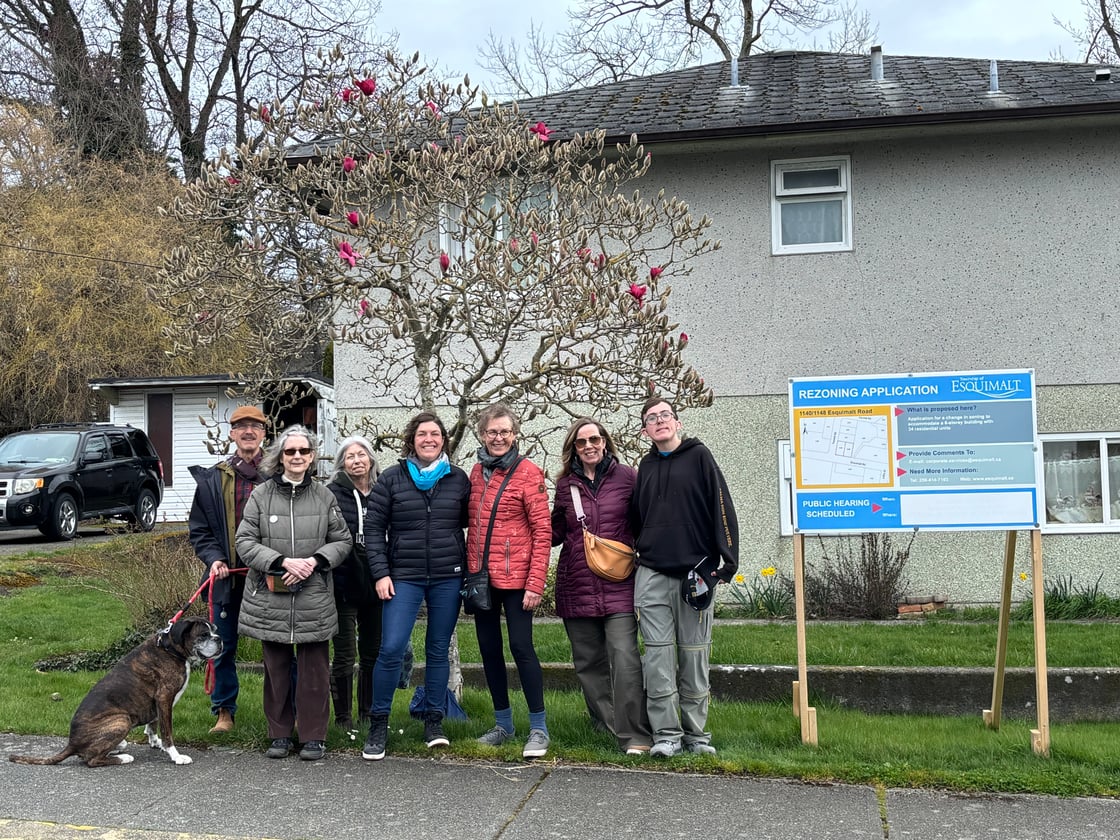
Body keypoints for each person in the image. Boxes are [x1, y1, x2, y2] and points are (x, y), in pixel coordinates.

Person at [629, 397, 739, 758]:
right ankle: (666, 735)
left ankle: (697, 736)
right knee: (658, 659)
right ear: (645, 430)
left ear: (676, 422)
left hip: (697, 574)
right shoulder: (644, 466)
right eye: (651, 419)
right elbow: (636, 518)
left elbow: (722, 506)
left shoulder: (699, 457)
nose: (659, 422)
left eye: (664, 416)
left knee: (693, 657)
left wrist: (726, 563)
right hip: (652, 575)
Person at [235, 425, 352, 761]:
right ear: (280, 457)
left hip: (313, 594)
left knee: (315, 671)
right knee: (276, 670)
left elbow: (342, 541)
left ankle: (314, 736)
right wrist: (281, 561)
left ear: (312, 457)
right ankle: (280, 734)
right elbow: (245, 542)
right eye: (290, 452)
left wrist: (314, 561)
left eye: (303, 451)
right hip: (271, 596)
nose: (297, 457)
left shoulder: (324, 496)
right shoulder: (261, 495)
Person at [361, 412, 471, 761]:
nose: (429, 439)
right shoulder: (392, 478)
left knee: (437, 649)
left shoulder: (458, 479)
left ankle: (433, 722)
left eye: (435, 434)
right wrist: (380, 573)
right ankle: (378, 724)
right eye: (422, 434)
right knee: (391, 648)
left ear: (443, 440)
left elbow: (476, 524)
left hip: (447, 576)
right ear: (412, 440)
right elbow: (373, 531)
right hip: (402, 576)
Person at [551, 417, 652, 755]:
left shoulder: (627, 477)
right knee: (588, 664)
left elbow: (644, 522)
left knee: (625, 659)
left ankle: (635, 735)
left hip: (620, 584)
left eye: (594, 439)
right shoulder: (565, 485)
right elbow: (554, 532)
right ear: (574, 449)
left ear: (605, 442)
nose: (589, 446)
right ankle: (607, 727)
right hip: (576, 583)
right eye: (581, 442)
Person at [467, 403, 552, 759]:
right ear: (482, 436)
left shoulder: (528, 472)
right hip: (482, 577)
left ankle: (539, 727)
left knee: (521, 648)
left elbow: (543, 531)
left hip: (518, 579)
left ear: (515, 435)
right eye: (491, 432)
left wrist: (536, 583)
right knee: (489, 651)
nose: (498, 438)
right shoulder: (475, 472)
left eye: (504, 432)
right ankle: (503, 723)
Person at [187, 404, 269, 735]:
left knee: (277, 649)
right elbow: (200, 530)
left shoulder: (278, 475)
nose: (249, 432)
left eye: (255, 427)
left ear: (264, 434)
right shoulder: (213, 479)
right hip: (227, 580)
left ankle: (282, 714)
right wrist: (214, 559)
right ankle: (224, 712)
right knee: (221, 647)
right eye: (241, 427)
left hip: (269, 581)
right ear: (232, 434)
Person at [326, 436, 383, 732]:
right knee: (345, 652)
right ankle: (343, 718)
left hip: (376, 580)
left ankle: (368, 713)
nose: (357, 460)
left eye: (362, 455)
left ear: (371, 459)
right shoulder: (332, 494)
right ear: (342, 464)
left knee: (373, 652)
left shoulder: (383, 491)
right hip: (344, 581)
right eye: (350, 457)